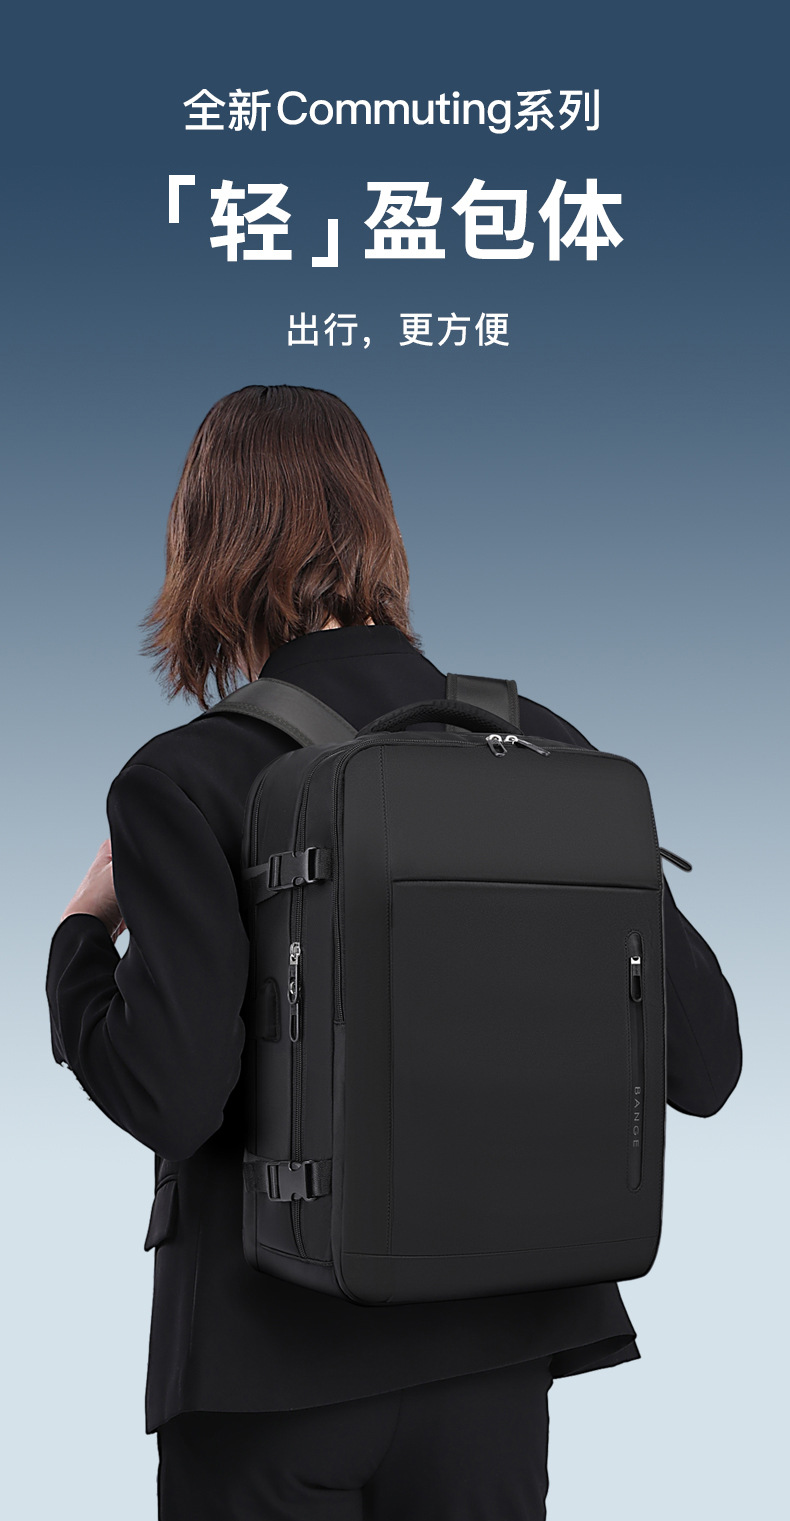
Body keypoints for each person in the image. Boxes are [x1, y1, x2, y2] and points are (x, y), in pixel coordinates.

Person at [46, 385, 742, 1521]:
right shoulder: (543, 749)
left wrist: (79, 941)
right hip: (494, 1362)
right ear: (377, 526)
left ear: (201, 543)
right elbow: (706, 1066)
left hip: (265, 1375)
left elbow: (171, 1095)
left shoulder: (183, 778)